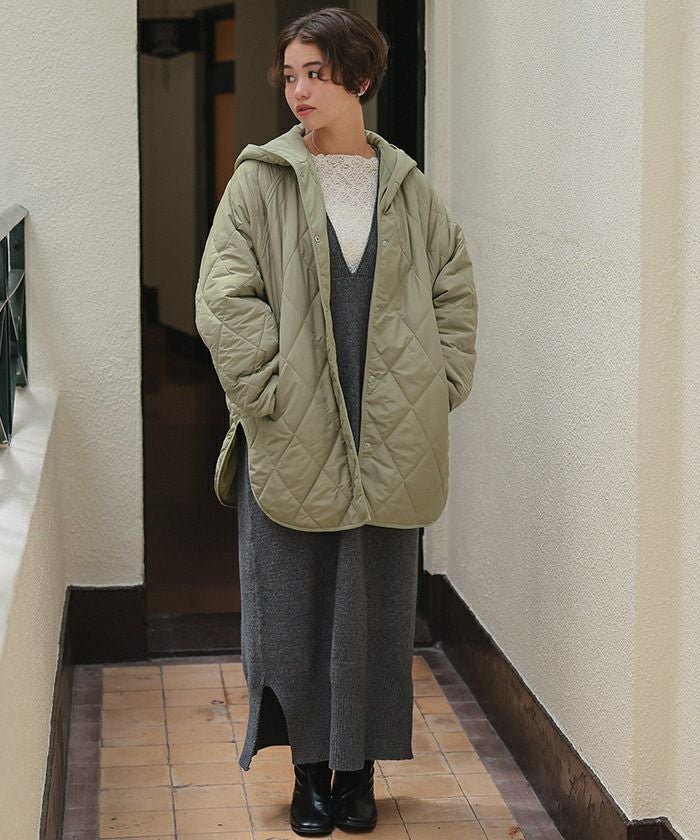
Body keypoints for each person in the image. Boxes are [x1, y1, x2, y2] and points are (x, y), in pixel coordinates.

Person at [195, 7, 477, 836]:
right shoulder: (262, 182)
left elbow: (454, 290)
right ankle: (308, 774)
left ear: (360, 77)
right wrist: (267, 389)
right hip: (292, 434)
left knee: (373, 612)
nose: (299, 90)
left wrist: (438, 384)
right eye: (290, 75)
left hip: (390, 437)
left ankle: (356, 773)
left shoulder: (409, 190)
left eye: (315, 73)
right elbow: (224, 296)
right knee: (292, 608)